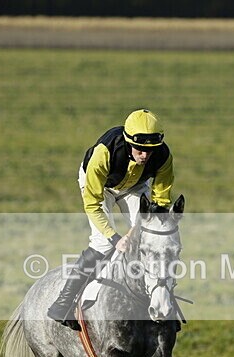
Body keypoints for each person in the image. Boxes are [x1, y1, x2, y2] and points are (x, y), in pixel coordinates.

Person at [47, 109, 175, 329]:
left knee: (153, 237)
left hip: (134, 187)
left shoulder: (163, 156)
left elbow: (161, 196)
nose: (145, 156)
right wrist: (115, 238)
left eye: (150, 150)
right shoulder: (104, 153)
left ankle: (161, 302)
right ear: (128, 142)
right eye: (140, 149)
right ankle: (62, 303)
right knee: (102, 243)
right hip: (100, 188)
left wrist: (156, 222)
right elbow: (92, 203)